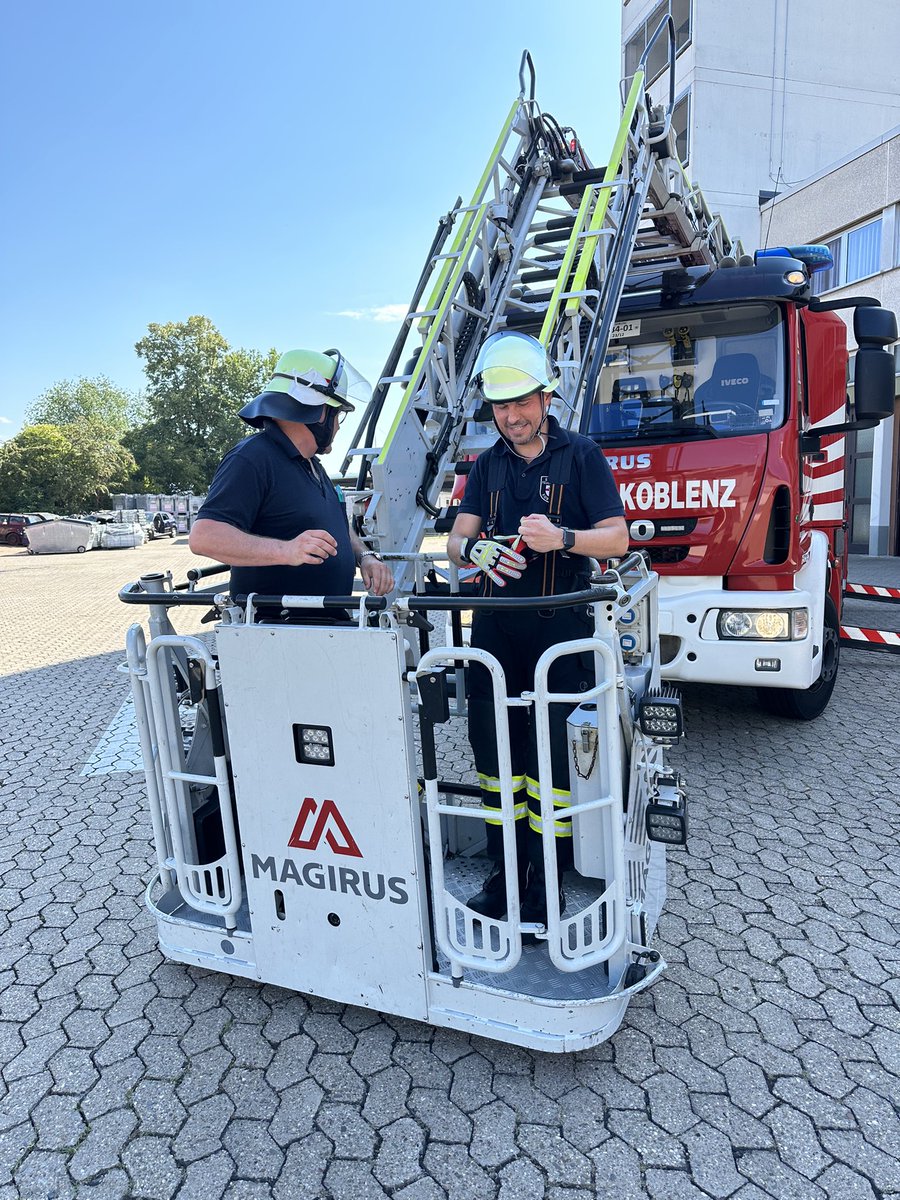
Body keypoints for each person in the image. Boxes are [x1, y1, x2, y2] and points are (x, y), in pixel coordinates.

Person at [447, 331, 628, 925]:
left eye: (521, 403)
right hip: (496, 636)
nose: (511, 416)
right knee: (496, 761)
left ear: (545, 398)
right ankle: (504, 876)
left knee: (550, 767)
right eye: (501, 406)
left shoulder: (581, 456)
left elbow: (618, 537)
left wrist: (565, 538)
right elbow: (456, 540)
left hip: (560, 635)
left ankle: (546, 878)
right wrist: (477, 553)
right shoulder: (487, 463)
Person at [190, 348, 393, 610]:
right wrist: (286, 550)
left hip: (322, 627)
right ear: (320, 413)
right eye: (337, 414)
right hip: (276, 632)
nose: (339, 426)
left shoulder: (313, 465)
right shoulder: (252, 458)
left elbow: (337, 525)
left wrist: (365, 557)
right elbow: (204, 536)